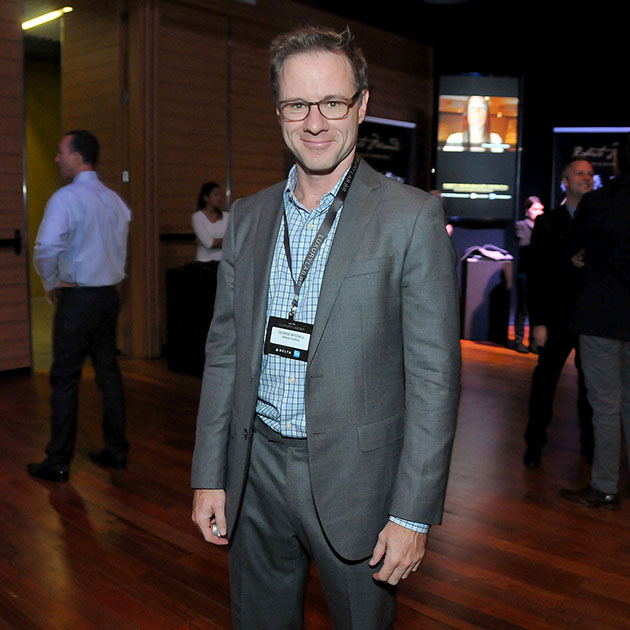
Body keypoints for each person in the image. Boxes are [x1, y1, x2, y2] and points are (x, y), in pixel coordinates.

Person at [190, 25, 461, 629]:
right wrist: (210, 474)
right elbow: (225, 352)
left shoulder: (411, 217)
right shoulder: (249, 216)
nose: (314, 122)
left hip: (361, 484)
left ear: (362, 105)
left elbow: (434, 378)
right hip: (254, 471)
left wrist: (411, 514)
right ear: (278, 111)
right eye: (297, 105)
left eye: (332, 102)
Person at [28, 130, 131, 482]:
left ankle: (58, 461)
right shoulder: (114, 201)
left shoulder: (66, 198)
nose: (57, 158)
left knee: (65, 378)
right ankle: (117, 450)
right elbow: (119, 251)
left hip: (79, 299)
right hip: (107, 297)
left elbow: (46, 247)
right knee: (108, 375)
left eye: (61, 152)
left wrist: (50, 280)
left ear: (76, 157)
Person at [559, 138, 630, 510]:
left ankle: (605, 487)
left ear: (617, 160)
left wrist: (584, 256)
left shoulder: (599, 201)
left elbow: (571, 245)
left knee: (604, 406)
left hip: (601, 315)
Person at [523, 159, 594, 469]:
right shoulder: (548, 222)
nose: (586, 178)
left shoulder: (601, 220)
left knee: (591, 389)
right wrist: (537, 322)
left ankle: (590, 449)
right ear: (565, 181)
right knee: (544, 384)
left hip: (591, 319)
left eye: (590, 174)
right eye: (580, 173)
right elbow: (537, 274)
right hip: (555, 318)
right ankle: (534, 446)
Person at [513, 196, 544, 353]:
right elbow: (524, 244)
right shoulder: (521, 225)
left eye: (541, 209)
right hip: (525, 272)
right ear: (527, 211)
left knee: (536, 308)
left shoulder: (545, 227)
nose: (539, 212)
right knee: (523, 307)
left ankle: (533, 341)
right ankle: (519, 340)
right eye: (535, 209)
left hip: (540, 273)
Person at [191, 182, 228, 262]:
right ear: (206, 198)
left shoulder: (227, 216)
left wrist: (217, 242)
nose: (219, 198)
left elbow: (235, 239)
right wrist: (227, 241)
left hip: (223, 261)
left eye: (220, 195)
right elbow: (209, 243)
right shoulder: (197, 217)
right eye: (216, 195)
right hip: (205, 262)